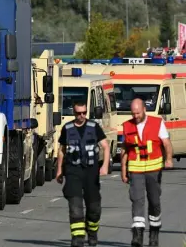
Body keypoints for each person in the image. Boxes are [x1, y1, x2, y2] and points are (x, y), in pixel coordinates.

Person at [56, 100, 110, 247]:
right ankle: (77, 238)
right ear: (74, 113)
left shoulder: (94, 127)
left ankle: (92, 232)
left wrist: (105, 166)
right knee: (75, 207)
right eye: (78, 113)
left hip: (91, 171)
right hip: (73, 170)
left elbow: (105, 146)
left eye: (84, 113)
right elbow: (62, 150)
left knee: (94, 208)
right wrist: (59, 171)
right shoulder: (67, 128)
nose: (81, 116)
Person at [121, 98, 173, 247]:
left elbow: (166, 143)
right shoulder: (127, 125)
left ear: (144, 109)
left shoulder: (157, 123)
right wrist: (123, 170)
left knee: (154, 202)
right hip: (135, 169)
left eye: (138, 112)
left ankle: (154, 234)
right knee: (137, 201)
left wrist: (168, 159)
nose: (135, 116)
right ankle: (137, 236)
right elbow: (125, 149)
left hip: (154, 170)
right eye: (133, 113)